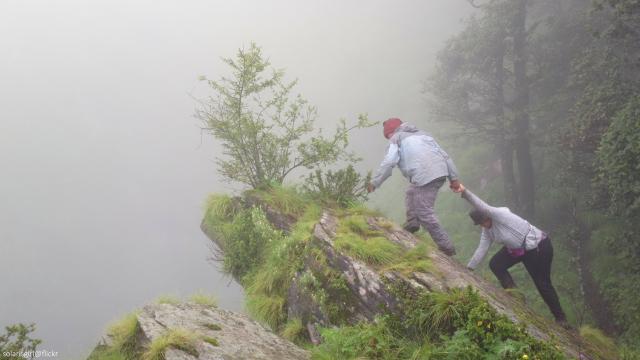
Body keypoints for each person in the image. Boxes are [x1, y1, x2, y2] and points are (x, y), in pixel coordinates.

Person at [457, 184, 568, 326]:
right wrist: (469, 269)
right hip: (519, 250)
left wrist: (465, 192)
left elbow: (482, 206)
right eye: (479, 223)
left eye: (483, 221)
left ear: (487, 216)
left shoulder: (499, 215)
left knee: (542, 283)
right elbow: (481, 249)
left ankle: (561, 318)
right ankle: (515, 296)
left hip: (539, 247)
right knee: (496, 264)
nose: (482, 225)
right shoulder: (487, 231)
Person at [367, 118, 460, 256]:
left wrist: (375, 182)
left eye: (388, 136)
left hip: (425, 175)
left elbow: (389, 162)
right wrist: (454, 178)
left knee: (425, 212)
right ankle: (412, 222)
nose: (388, 139)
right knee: (411, 191)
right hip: (440, 172)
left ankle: (446, 247)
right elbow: (445, 156)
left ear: (392, 132)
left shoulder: (396, 139)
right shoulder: (424, 134)